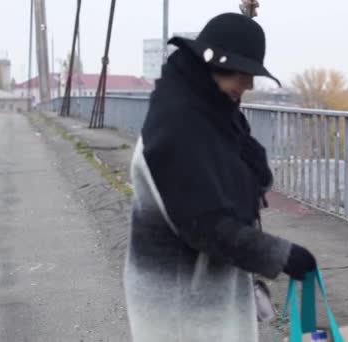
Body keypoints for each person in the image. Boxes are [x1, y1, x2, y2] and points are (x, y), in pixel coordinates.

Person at [125, 13, 317, 342]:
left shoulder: (204, 114)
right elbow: (204, 224)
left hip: (204, 288)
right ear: (213, 66)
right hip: (179, 299)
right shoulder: (178, 126)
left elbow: (243, 180)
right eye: (245, 74)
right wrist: (280, 255)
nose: (250, 85)